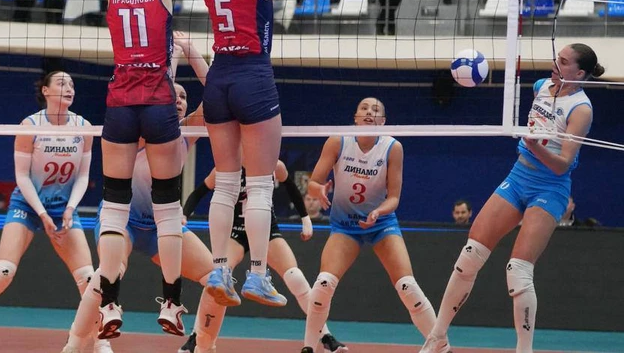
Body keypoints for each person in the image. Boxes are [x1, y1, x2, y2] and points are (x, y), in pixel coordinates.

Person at [71, 0, 227, 339]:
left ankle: (111, 306)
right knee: (168, 209)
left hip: (120, 105)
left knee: (114, 207)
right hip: (159, 105)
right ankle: (173, 304)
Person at [421, 44, 604, 353]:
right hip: (519, 177)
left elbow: (562, 164)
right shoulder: (540, 86)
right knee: (469, 256)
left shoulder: (581, 109)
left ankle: (524, 350)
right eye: (556, 57)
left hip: (550, 188)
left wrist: (535, 146)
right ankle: (437, 337)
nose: (555, 63)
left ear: (580, 72)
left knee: (517, 271)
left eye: (563, 61)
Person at [63, 33, 229, 353]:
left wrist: (192, 52)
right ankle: (74, 344)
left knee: (217, 279)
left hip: (160, 227)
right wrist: (171, 55)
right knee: (106, 276)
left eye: (183, 97)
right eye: (173, 95)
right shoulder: (140, 130)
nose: (178, 100)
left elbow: (217, 95)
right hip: (122, 221)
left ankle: (202, 346)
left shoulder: (186, 132)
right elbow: (158, 94)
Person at [0, 71, 95, 353]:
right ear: (46, 91)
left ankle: (99, 342)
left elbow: (83, 176)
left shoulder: (84, 126)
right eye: (62, 83)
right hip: (28, 204)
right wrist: (43, 214)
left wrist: (70, 208)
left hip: (64, 208)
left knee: (89, 278)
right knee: (4, 270)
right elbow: (22, 177)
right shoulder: (29, 125)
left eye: (72, 84)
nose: (69, 88)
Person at [200, 0, 287, 308]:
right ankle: (256, 275)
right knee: (259, 186)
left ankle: (219, 270)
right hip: (253, 75)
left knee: (225, 182)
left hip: (218, 78)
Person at [302, 98, 438, 353]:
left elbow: (394, 198)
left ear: (382, 121)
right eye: (363, 108)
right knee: (323, 284)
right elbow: (313, 183)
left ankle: (441, 346)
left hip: (381, 224)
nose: (368, 112)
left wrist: (377, 212)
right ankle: (308, 348)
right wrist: (318, 190)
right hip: (345, 226)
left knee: (408, 286)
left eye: (375, 110)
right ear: (355, 117)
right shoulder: (338, 141)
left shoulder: (392, 148)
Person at [184, 162, 348, 353]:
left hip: (266, 231)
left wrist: (305, 219)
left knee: (295, 277)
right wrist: (184, 214)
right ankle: (196, 337)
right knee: (218, 279)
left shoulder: (273, 164)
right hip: (236, 232)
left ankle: (326, 336)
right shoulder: (227, 167)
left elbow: (291, 187)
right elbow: (199, 192)